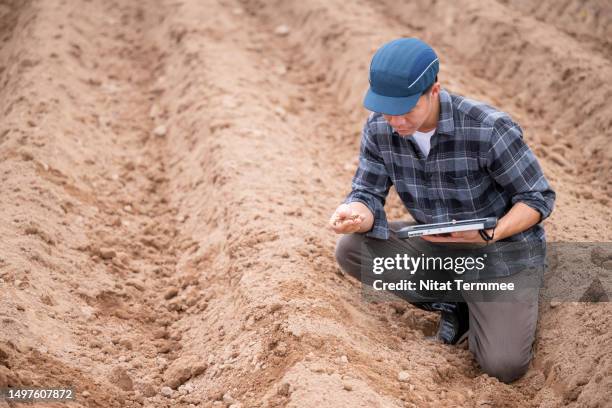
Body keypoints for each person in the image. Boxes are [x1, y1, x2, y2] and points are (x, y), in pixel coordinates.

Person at [329, 38, 555, 383]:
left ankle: (481, 303)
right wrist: (358, 212)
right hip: (440, 245)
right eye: (386, 109)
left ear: (433, 90)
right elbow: (367, 191)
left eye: (405, 109)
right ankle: (455, 304)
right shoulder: (380, 128)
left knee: (503, 365)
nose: (395, 121)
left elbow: (537, 198)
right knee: (352, 249)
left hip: (500, 253)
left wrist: (491, 234)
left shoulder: (488, 128)